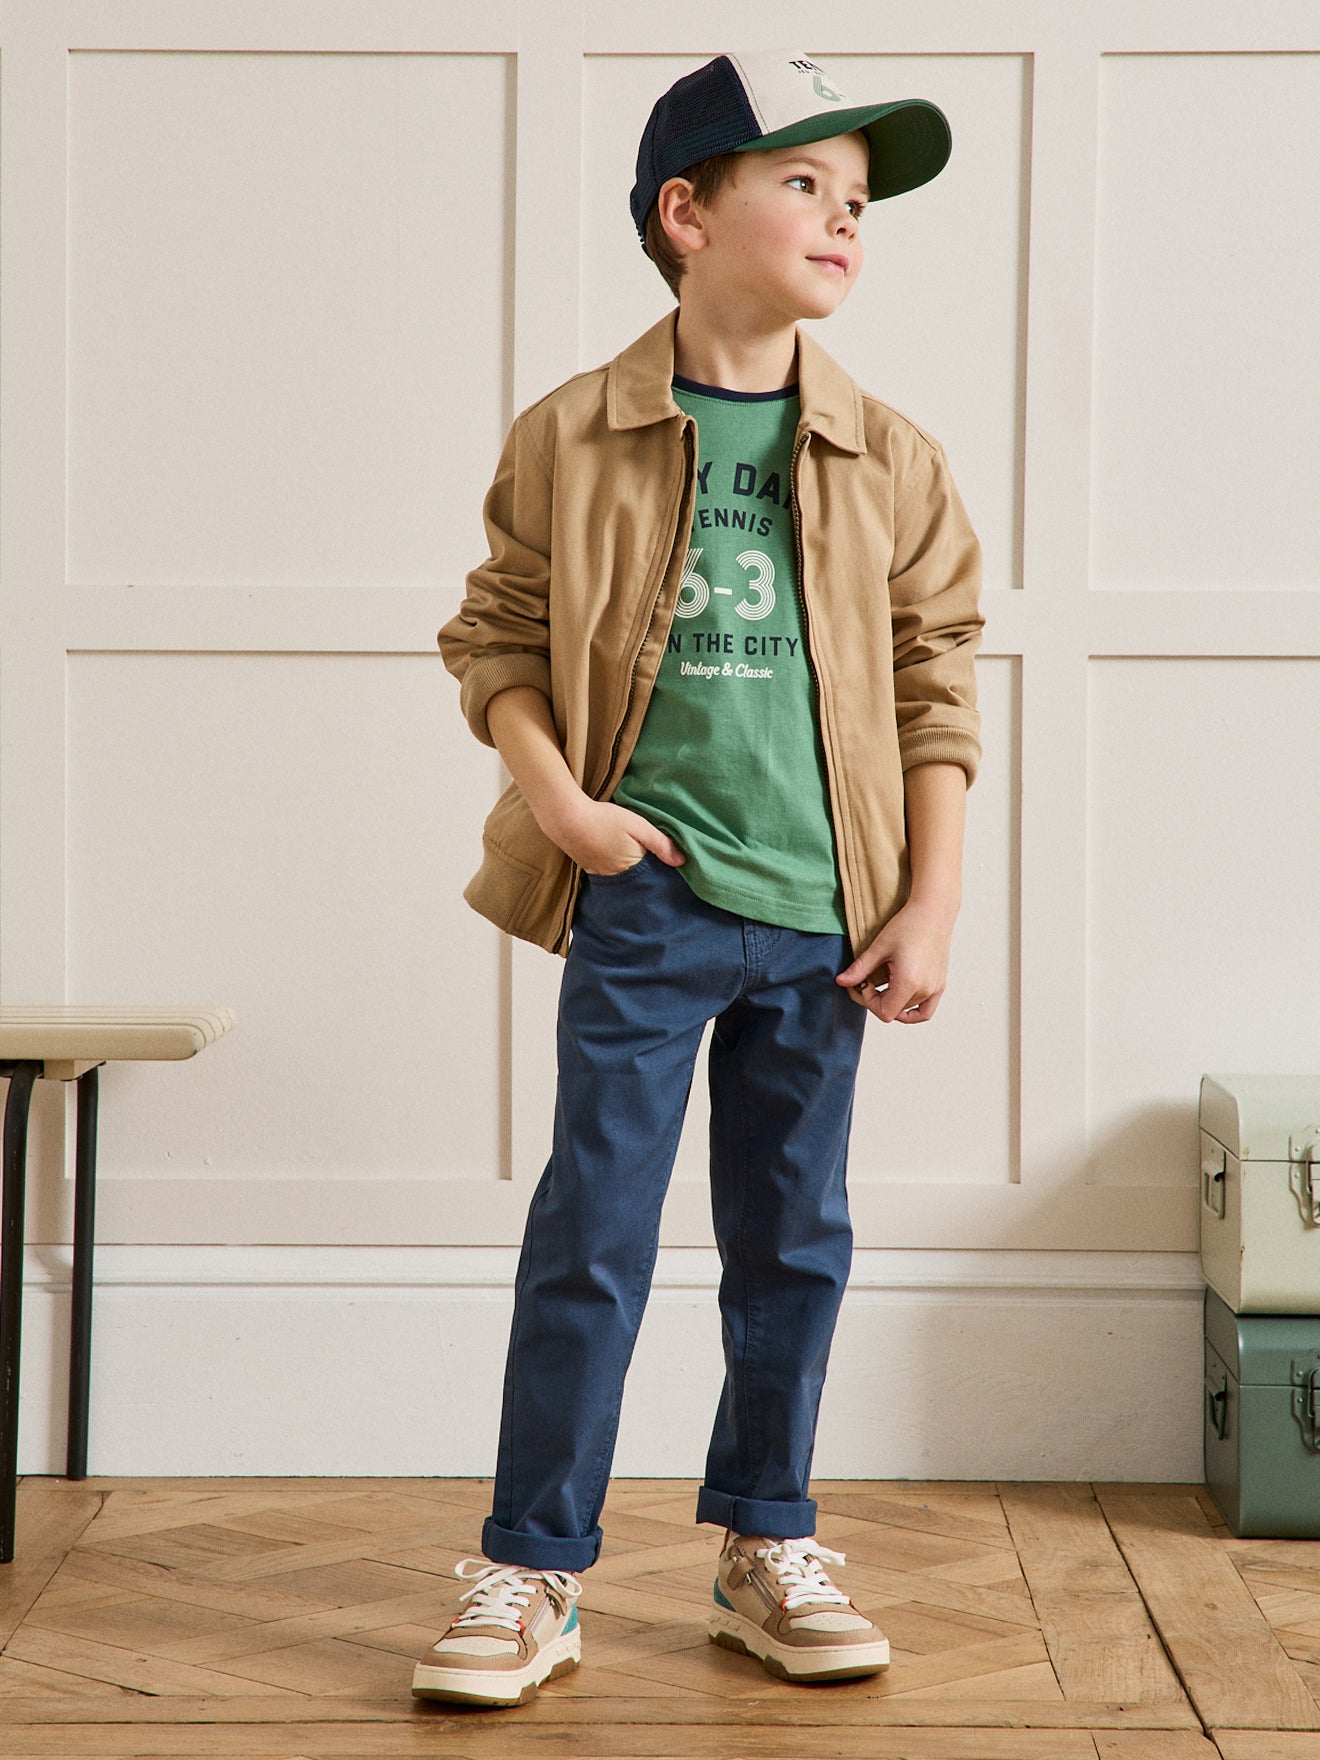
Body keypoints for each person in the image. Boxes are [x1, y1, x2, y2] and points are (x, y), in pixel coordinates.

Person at [413, 50, 984, 1708]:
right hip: (646, 901)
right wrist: (570, 812)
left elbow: (939, 680)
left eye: (858, 199)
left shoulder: (892, 457)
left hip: (828, 917)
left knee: (794, 1240)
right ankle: (533, 1568)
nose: (844, 219)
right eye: (803, 183)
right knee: (591, 1231)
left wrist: (931, 899)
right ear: (687, 212)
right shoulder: (573, 431)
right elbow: (498, 637)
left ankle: (764, 1541)